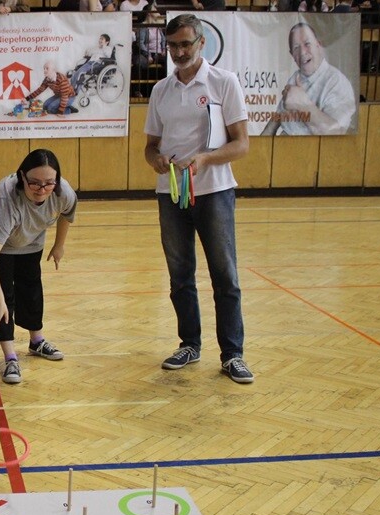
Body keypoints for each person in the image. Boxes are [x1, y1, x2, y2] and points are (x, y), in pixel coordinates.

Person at [143, 14, 253, 384]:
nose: (178, 52)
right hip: (171, 194)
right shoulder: (161, 90)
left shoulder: (224, 82)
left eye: (185, 44)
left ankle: (233, 354)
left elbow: (241, 144)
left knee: (225, 276)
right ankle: (189, 344)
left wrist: (204, 159)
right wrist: (156, 160)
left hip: (215, 192)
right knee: (180, 276)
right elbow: (150, 146)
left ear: (201, 42)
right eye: (172, 45)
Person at [0, 149, 75, 385]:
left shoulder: (63, 192)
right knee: (3, 295)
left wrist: (59, 245)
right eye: (34, 183)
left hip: (31, 235)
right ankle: (10, 356)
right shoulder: (6, 200)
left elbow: (67, 214)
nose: (42, 189)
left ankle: (36, 341)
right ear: (22, 176)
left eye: (49, 183)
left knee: (31, 285)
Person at [260, 22, 356, 136]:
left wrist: (303, 105)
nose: (302, 52)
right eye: (296, 48)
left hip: (310, 147)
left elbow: (336, 132)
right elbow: (277, 117)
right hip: (282, 144)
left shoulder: (336, 82)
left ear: (318, 45)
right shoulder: (296, 76)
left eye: (307, 44)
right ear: (292, 55)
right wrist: (261, 142)